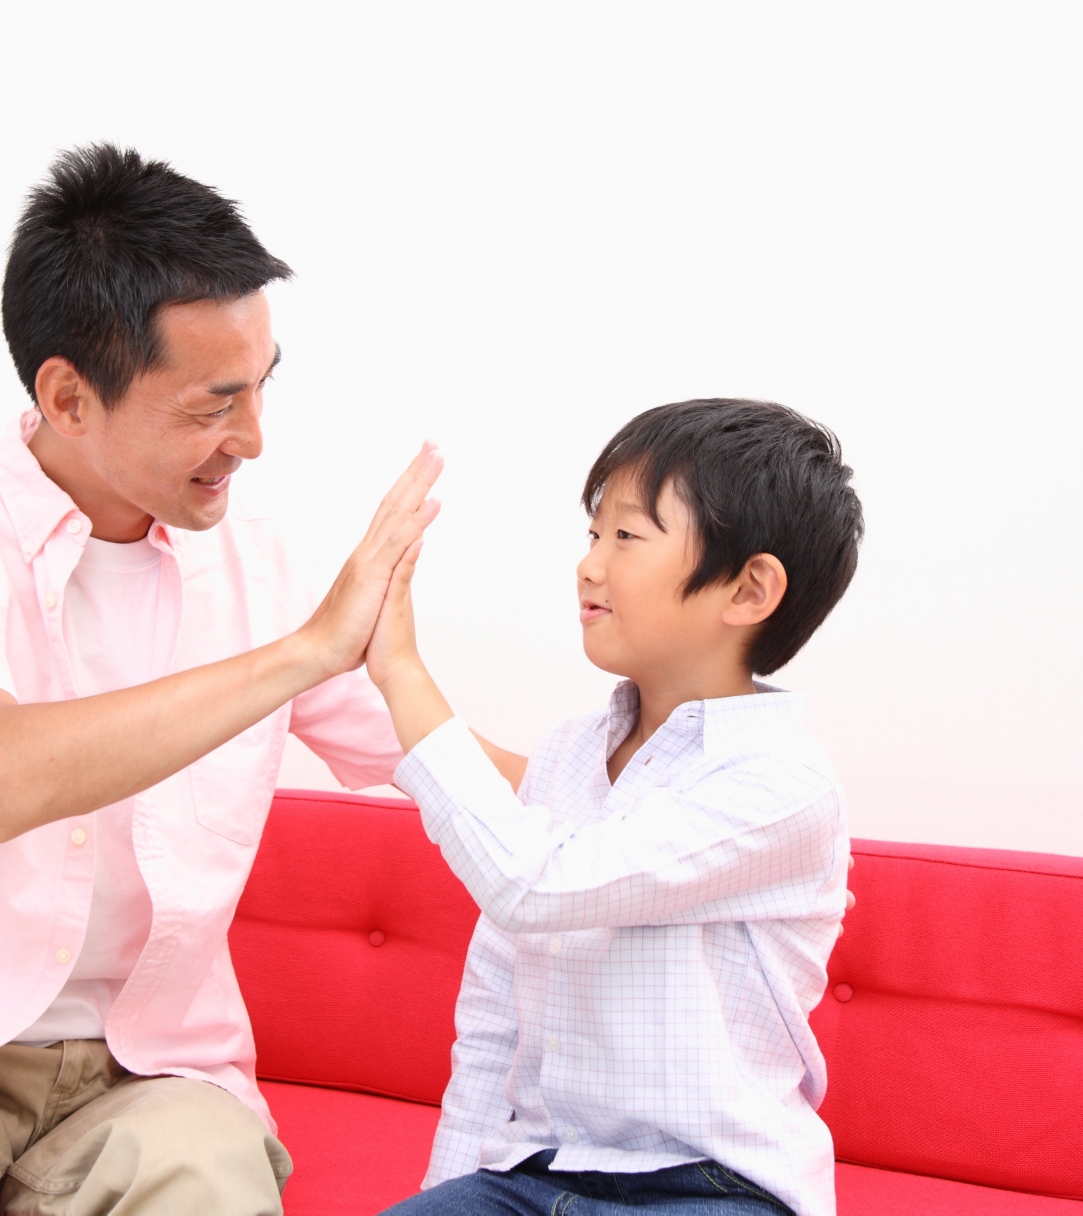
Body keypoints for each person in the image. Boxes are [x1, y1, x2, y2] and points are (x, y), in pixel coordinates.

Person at [0, 144, 522, 1216]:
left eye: (262, 387)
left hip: (153, 1073)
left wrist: (683, 769)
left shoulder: (265, 570)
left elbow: (447, 762)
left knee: (205, 1183)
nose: (252, 438)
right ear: (69, 397)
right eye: (212, 404)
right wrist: (302, 652)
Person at [363, 399, 865, 1216]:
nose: (589, 565)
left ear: (749, 589)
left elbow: (533, 885)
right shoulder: (567, 753)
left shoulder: (783, 786)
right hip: (531, 1175)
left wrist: (401, 673)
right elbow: (494, 1011)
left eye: (626, 536)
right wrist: (445, 1193)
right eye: (593, 533)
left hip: (710, 1187)